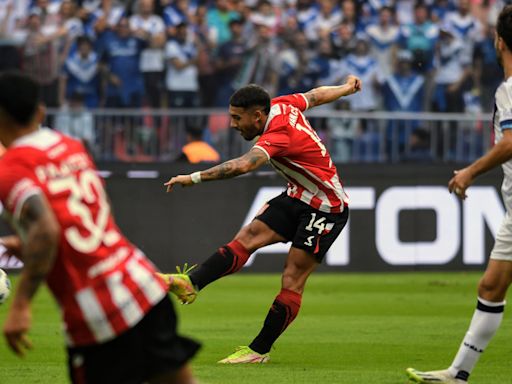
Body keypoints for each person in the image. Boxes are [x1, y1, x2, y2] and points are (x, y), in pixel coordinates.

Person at [0, 72, 199, 384]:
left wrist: (21, 304)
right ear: (40, 111)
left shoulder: (10, 168)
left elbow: (47, 230)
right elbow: (75, 224)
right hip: (143, 285)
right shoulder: (71, 146)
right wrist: (30, 245)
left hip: (99, 313)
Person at [160, 75, 362, 363]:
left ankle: (258, 351)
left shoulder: (278, 133)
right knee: (247, 238)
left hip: (325, 207)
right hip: (297, 195)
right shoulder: (281, 104)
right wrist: (345, 88)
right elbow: (315, 96)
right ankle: (191, 283)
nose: (232, 124)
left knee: (292, 278)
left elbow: (243, 165)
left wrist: (194, 177)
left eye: (236, 118)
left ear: (257, 116)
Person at [406, 5, 512, 383]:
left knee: (492, 286)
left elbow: (511, 143)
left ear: (499, 42)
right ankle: (458, 373)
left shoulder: (509, 90)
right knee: (491, 286)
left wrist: (469, 171)